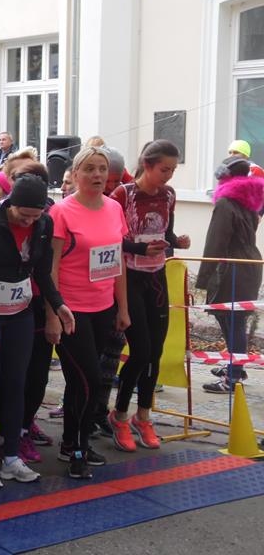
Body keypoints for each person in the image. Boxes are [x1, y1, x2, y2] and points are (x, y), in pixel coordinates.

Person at [0, 175, 74, 488]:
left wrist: (59, 304)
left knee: (17, 384)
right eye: (23, 215)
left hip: (20, 312)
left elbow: (42, 271)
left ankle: (12, 456)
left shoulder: (44, 224)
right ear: (10, 204)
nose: (28, 221)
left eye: (35, 215)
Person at [47, 145, 130, 479]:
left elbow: (118, 261)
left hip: (103, 307)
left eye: (102, 169)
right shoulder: (62, 212)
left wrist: (123, 308)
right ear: (76, 174)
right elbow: (51, 267)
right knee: (89, 381)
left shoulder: (114, 208)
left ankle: (70, 441)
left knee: (79, 383)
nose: (97, 175)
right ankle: (79, 448)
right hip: (71, 310)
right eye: (90, 169)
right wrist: (53, 313)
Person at [107, 140, 190, 451]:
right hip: (129, 277)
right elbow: (111, 238)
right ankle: (120, 415)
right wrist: (141, 248)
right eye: (164, 169)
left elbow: (166, 233)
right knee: (140, 351)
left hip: (157, 277)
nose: (168, 176)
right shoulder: (123, 194)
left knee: (155, 352)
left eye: (172, 170)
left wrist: (177, 242)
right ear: (147, 165)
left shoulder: (168, 195)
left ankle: (143, 416)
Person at [196, 155, 264, 392]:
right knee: (234, 319)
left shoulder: (225, 203)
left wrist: (204, 277)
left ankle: (233, 377)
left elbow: (215, 243)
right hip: (249, 264)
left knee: (231, 320)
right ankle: (236, 367)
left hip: (232, 268)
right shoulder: (249, 200)